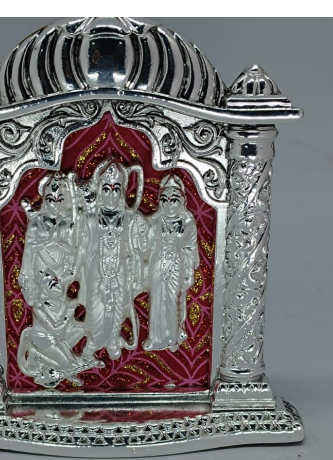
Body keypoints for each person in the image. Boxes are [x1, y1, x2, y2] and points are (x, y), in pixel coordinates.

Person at [17, 172, 103, 387]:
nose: (55, 204)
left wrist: (74, 268)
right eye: (50, 199)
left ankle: (54, 362)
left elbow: (81, 243)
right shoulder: (36, 224)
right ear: (44, 199)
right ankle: (59, 363)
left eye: (60, 199)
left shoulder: (68, 223)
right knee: (49, 312)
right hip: (43, 275)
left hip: (63, 275)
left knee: (75, 326)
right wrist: (27, 278)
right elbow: (29, 253)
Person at [78, 159, 148, 360]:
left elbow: (142, 240)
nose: (111, 194)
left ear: (123, 191)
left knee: (118, 306)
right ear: (100, 191)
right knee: (95, 308)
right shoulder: (91, 215)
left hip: (120, 270)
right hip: (96, 270)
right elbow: (81, 240)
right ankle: (93, 342)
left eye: (116, 189)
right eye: (106, 189)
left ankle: (112, 340)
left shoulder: (129, 217)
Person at [142, 174, 198, 352]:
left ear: (182, 201)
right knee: (156, 299)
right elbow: (144, 244)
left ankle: (172, 336)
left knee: (172, 299)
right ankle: (154, 337)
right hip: (156, 264)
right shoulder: (154, 221)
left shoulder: (188, 222)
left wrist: (189, 273)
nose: (169, 204)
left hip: (176, 265)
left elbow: (190, 248)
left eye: (174, 200)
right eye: (164, 200)